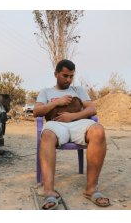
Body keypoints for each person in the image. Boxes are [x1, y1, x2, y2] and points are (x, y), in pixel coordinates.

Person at [33, 59, 110, 210]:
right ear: (56, 74)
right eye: (65, 76)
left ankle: (91, 189)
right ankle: (49, 191)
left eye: (71, 76)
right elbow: (37, 112)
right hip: (56, 124)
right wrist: (56, 102)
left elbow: (92, 110)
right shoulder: (46, 91)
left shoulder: (78, 90)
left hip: (77, 123)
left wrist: (72, 116)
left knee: (98, 130)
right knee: (47, 135)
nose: (68, 80)